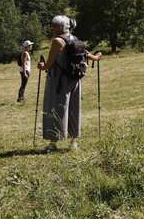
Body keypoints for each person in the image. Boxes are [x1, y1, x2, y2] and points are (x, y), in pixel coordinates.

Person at [37, 16, 102, 152]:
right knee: (74, 108)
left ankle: (53, 143)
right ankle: (73, 142)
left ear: (60, 27)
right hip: (74, 79)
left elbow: (48, 64)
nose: (52, 28)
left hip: (59, 81)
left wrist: (41, 66)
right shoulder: (75, 39)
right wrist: (96, 57)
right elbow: (86, 54)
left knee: (56, 108)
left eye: (54, 26)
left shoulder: (57, 41)